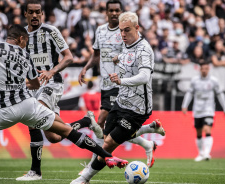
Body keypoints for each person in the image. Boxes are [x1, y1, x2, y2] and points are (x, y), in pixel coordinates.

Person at [0, 24, 126, 184]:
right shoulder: (25, 55)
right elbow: (35, 85)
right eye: (25, 42)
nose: (25, 45)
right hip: (28, 105)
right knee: (65, 131)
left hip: (2, 110)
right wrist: (20, 85)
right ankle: (108, 156)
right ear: (21, 38)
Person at [71, 11, 165, 184]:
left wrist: (121, 80)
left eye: (127, 30)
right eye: (121, 30)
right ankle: (149, 133)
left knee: (106, 146)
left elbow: (144, 76)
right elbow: (129, 57)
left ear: (137, 28)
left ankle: (84, 179)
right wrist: (118, 58)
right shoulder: (126, 45)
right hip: (121, 102)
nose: (122, 34)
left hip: (137, 109)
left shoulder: (145, 49)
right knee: (107, 139)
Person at [16, 0, 103, 181]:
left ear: (42, 13)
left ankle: (35, 171)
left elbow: (69, 57)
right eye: (30, 12)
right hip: (32, 86)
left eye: (37, 12)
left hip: (52, 82)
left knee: (33, 113)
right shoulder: (20, 36)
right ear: (25, 14)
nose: (34, 15)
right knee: (55, 136)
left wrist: (51, 71)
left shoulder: (51, 31)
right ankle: (85, 121)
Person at [181, 62, 225, 162]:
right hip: (197, 110)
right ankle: (201, 153)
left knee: (207, 129)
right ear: (200, 69)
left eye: (206, 69)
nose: (204, 70)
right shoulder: (194, 80)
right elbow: (189, 93)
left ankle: (207, 153)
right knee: (198, 132)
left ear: (209, 69)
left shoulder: (214, 81)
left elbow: (220, 94)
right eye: (202, 68)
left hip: (209, 110)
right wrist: (184, 105)